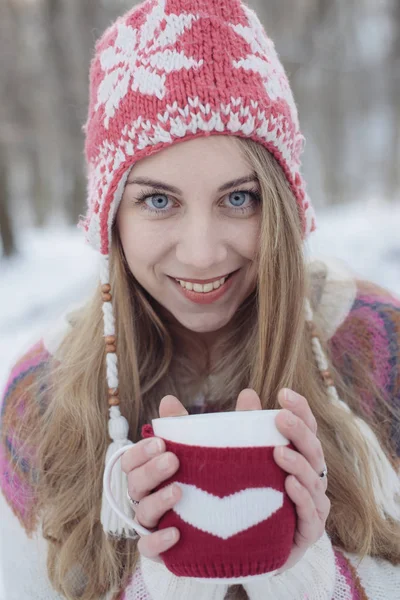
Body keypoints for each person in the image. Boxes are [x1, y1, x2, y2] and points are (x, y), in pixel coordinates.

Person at [1, 0, 399, 598]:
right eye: (158, 201)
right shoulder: (40, 400)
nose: (203, 254)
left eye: (239, 199)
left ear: (283, 205)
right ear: (112, 219)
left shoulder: (376, 347)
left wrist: (312, 577)